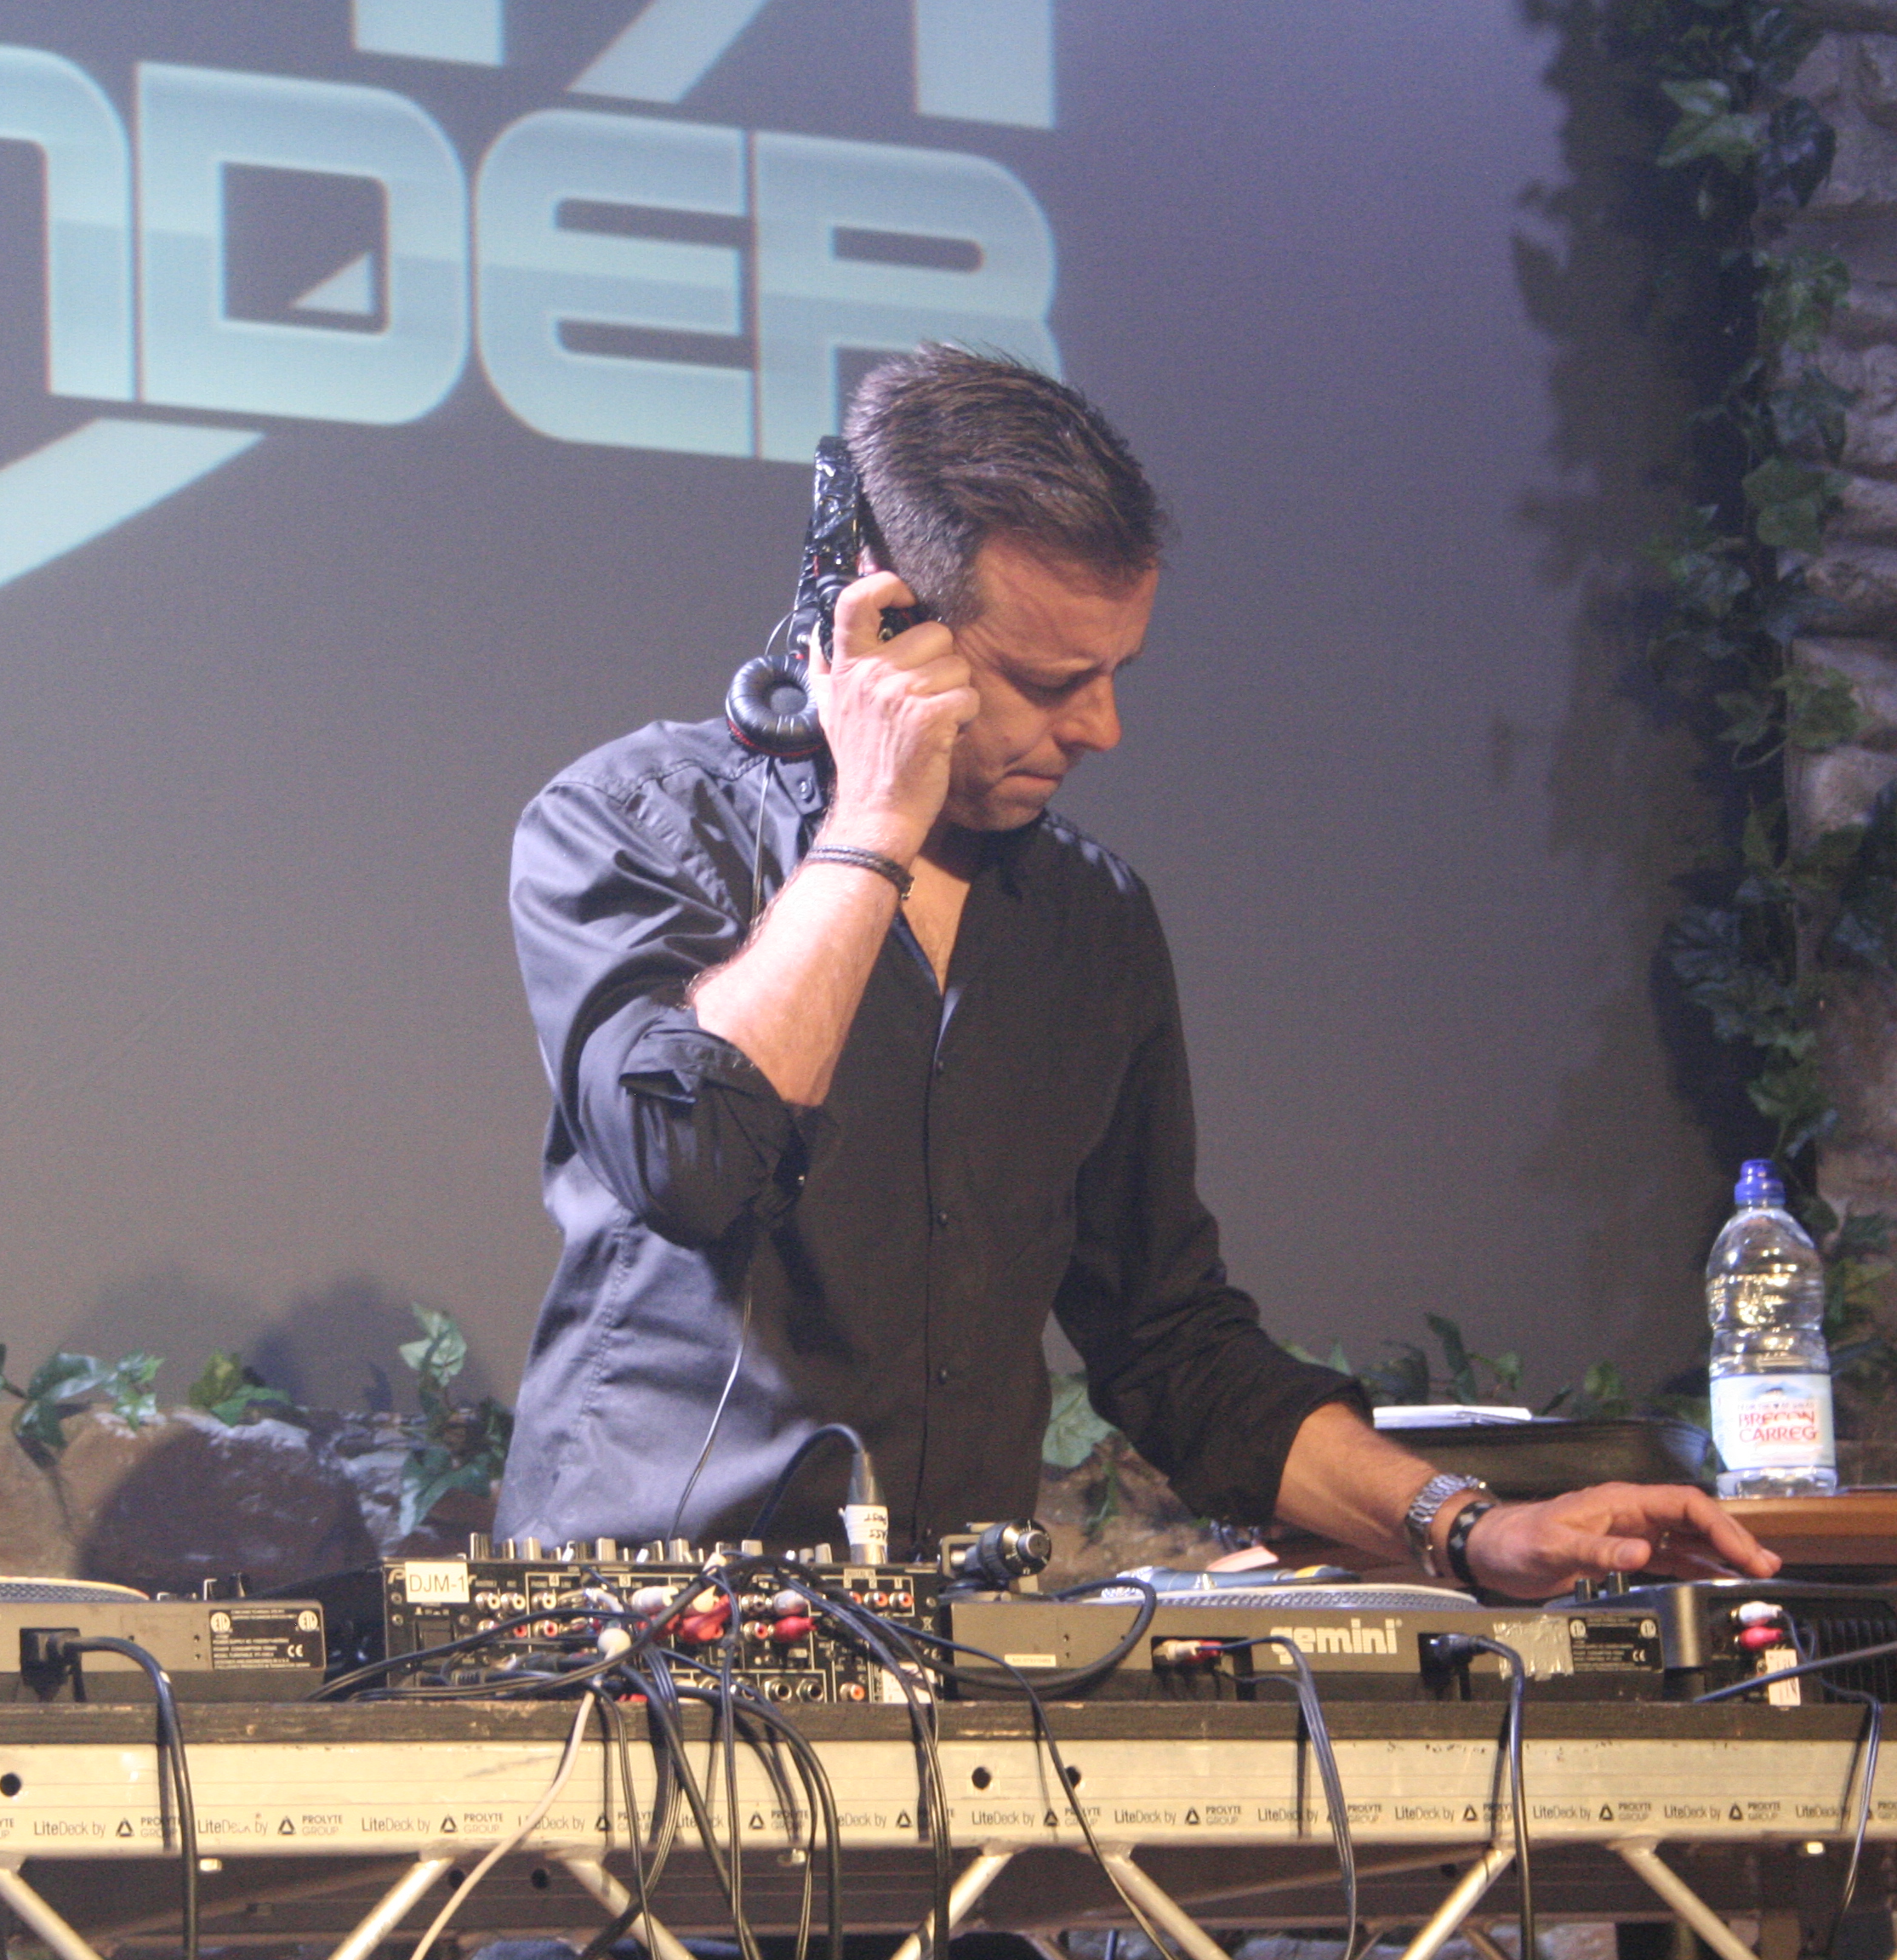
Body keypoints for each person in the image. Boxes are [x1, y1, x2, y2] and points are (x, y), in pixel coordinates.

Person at [494, 345, 1777, 1600]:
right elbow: (695, 1160)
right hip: (634, 1648)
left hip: (939, 1654)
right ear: (882, 628)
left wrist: (1469, 1529)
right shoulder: (630, 824)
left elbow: (1170, 1344)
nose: (1102, 728)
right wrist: (873, 824)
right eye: (1051, 682)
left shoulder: (1089, 922)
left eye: (1116, 675)